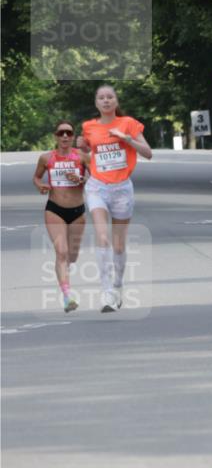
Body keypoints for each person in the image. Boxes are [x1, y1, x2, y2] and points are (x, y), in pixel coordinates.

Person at [78, 85, 152, 313]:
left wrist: (126, 138)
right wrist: (83, 158)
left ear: (116, 102)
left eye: (110, 97)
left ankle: (118, 286)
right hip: (97, 187)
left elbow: (148, 153)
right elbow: (85, 154)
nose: (106, 101)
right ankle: (107, 292)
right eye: (101, 97)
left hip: (122, 189)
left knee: (118, 245)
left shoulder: (128, 123)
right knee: (102, 237)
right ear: (96, 103)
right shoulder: (88, 127)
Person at [33, 121, 88, 313]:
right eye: (61, 133)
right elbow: (37, 177)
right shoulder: (46, 158)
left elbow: (96, 178)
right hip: (54, 209)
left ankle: (66, 278)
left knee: (72, 256)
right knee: (62, 252)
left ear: (73, 136)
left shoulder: (82, 157)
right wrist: (40, 185)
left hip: (77, 212)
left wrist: (81, 179)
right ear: (55, 136)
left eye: (68, 133)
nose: (65, 136)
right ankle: (67, 296)